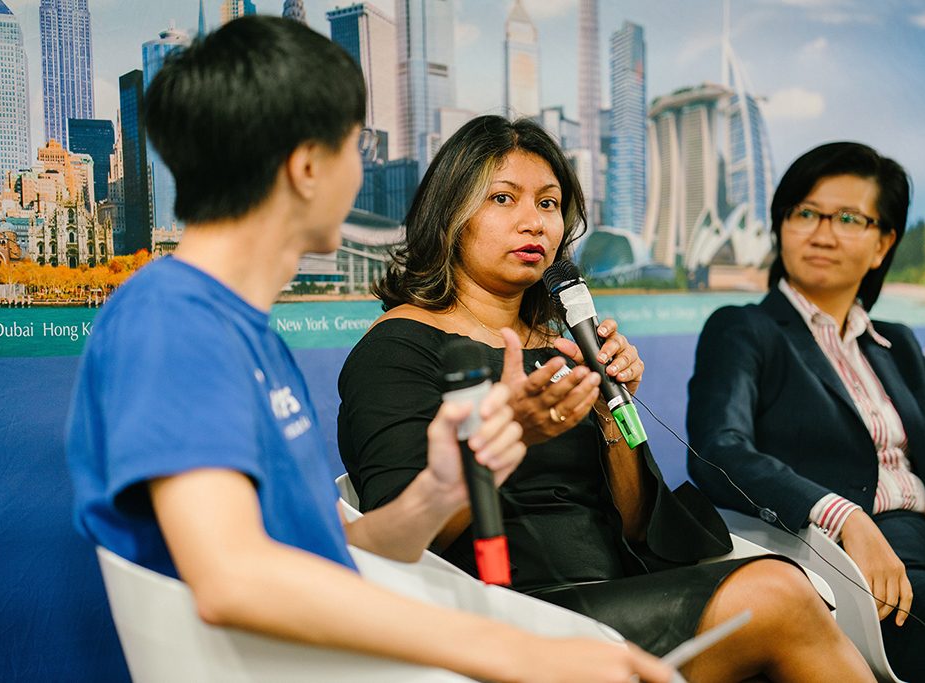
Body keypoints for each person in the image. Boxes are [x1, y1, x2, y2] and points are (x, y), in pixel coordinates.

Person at [64, 17, 674, 683]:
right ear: (307, 167)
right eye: (356, 147)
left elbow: (339, 548)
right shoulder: (172, 321)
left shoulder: (245, 332)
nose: (361, 173)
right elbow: (233, 576)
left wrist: (443, 490)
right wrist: (515, 648)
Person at [337, 115, 874, 683]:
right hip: (507, 613)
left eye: (549, 204)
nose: (534, 222)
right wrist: (509, 435)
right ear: (450, 214)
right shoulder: (398, 347)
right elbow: (399, 535)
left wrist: (608, 409)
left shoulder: (567, 347)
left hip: (619, 589)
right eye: (503, 198)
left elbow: (641, 525)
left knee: (779, 588)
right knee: (776, 593)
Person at [686, 141, 925, 682]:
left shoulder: (895, 345)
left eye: (848, 218)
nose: (822, 232)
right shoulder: (744, 330)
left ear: (882, 244)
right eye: (806, 213)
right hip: (854, 567)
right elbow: (719, 449)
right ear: (781, 225)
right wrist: (843, 515)